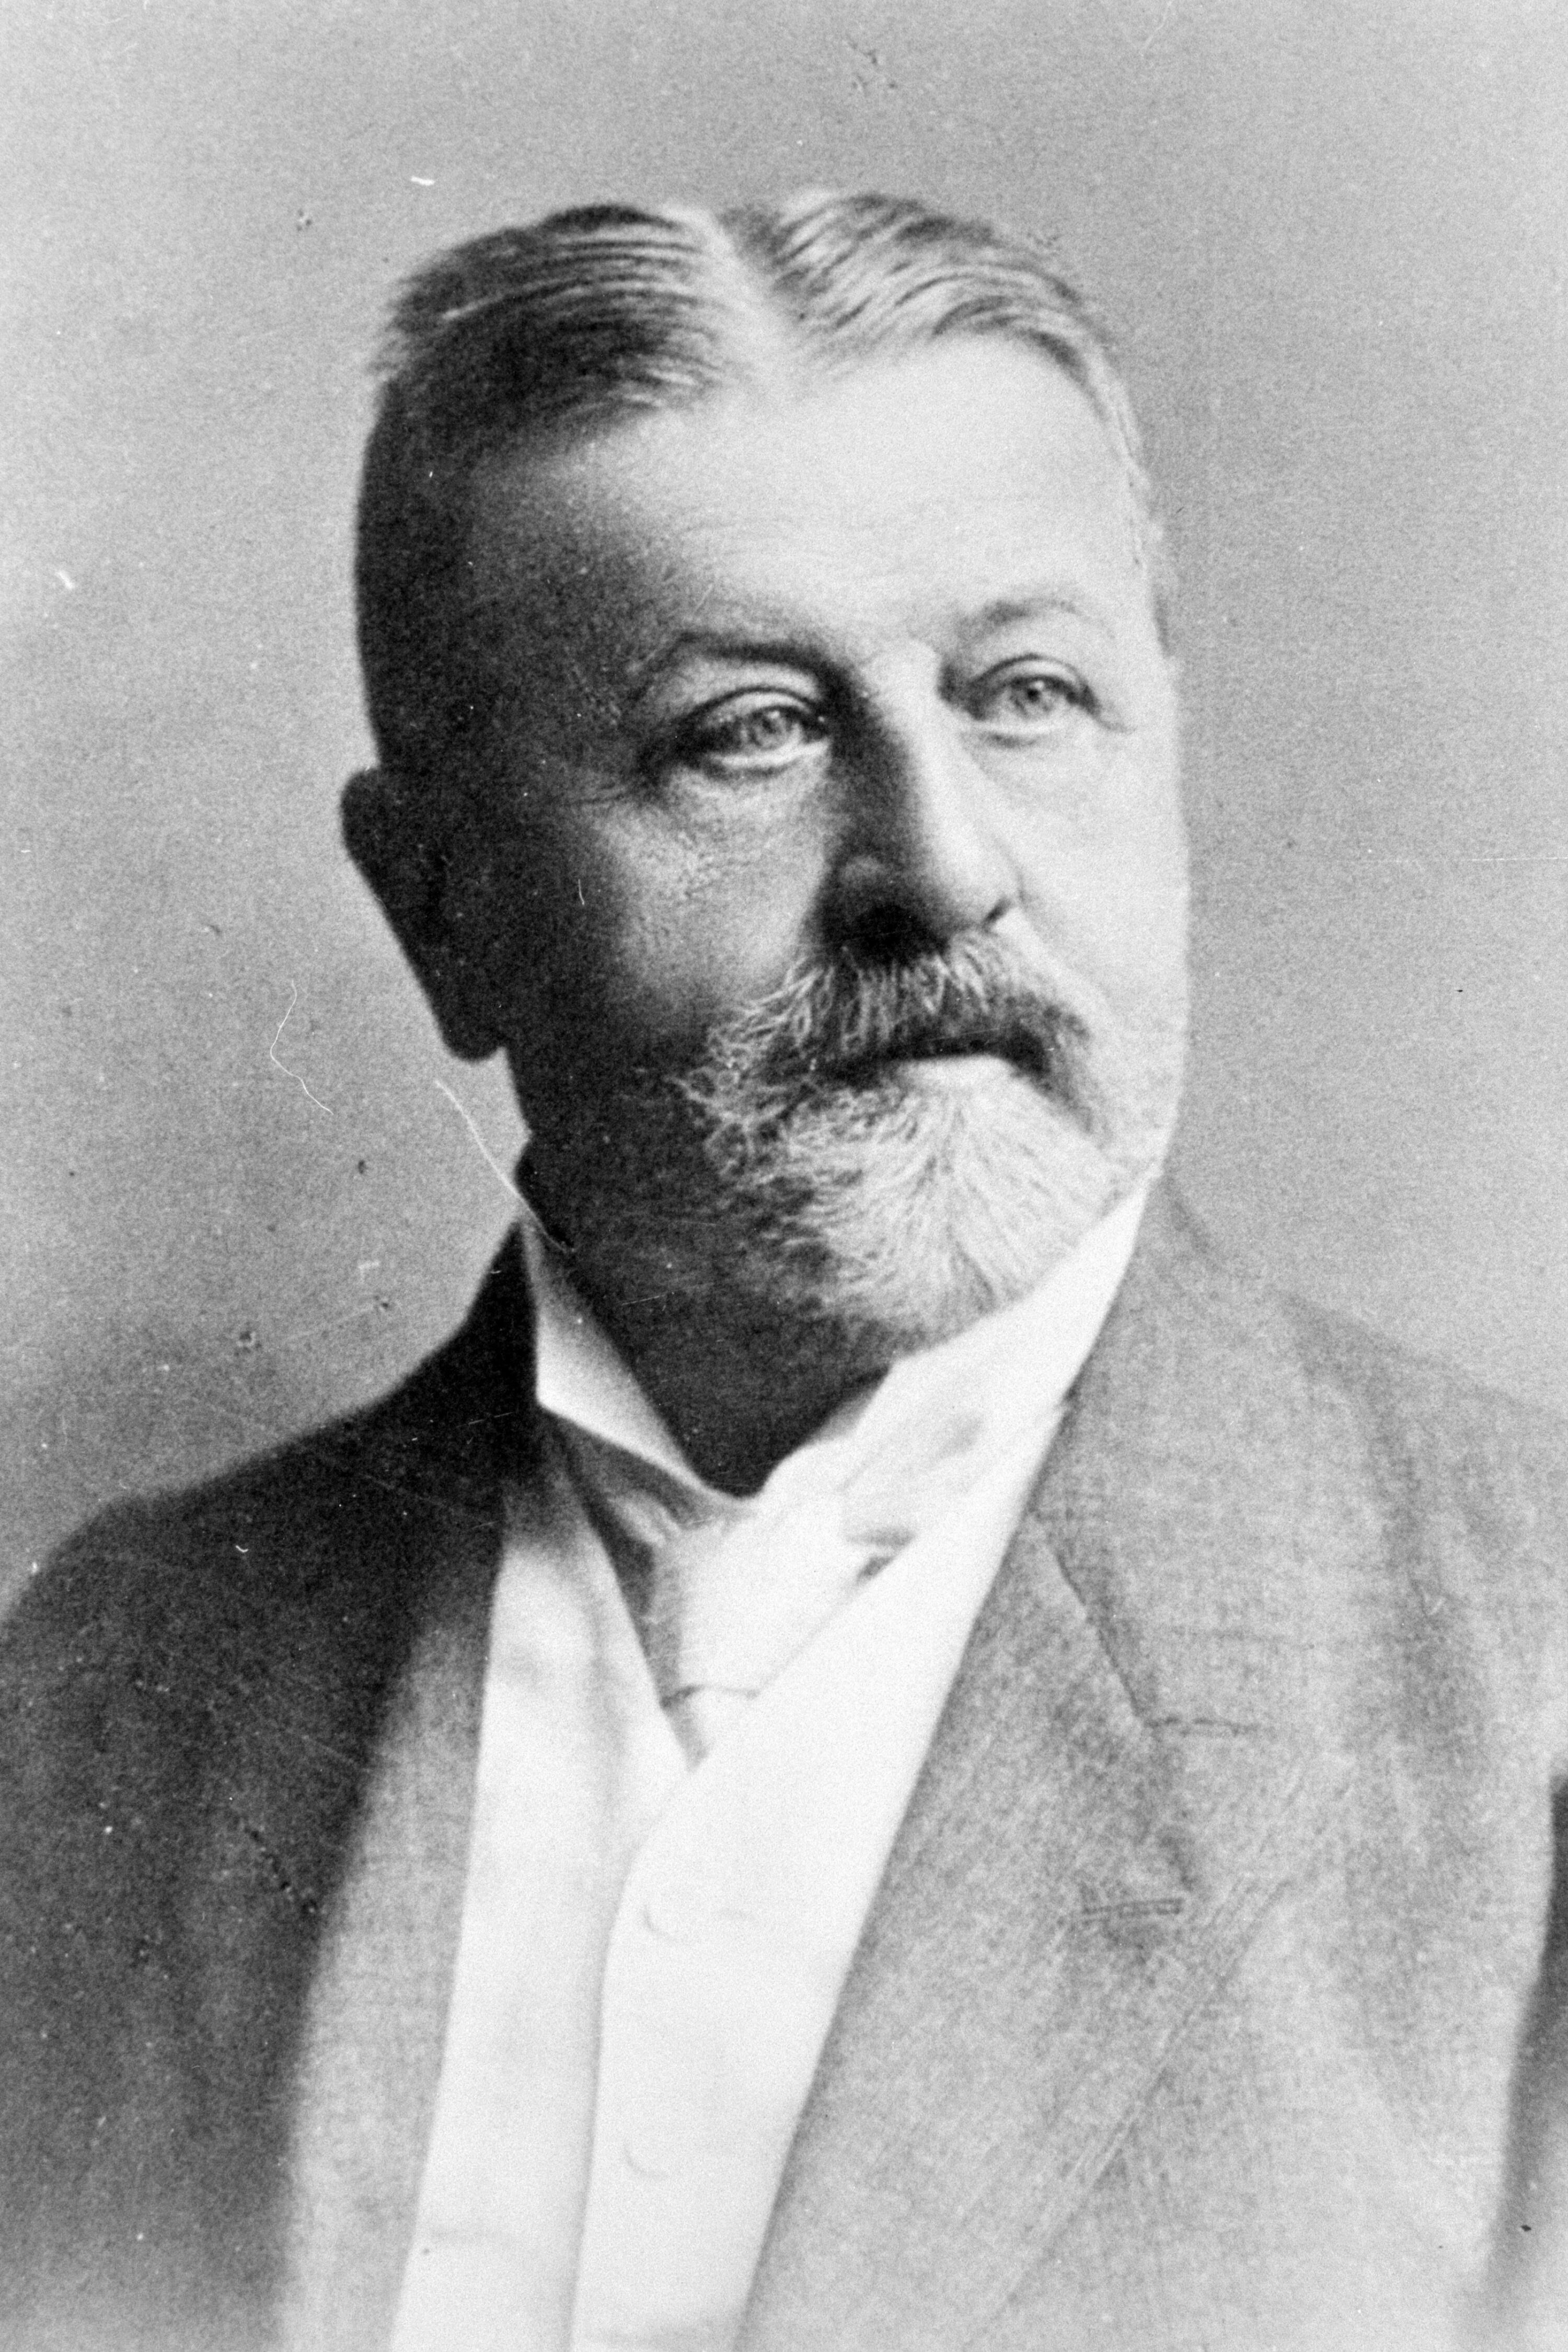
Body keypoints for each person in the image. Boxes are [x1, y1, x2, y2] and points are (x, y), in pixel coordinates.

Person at [1, 191, 1564, 2352]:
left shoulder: (1530, 1672)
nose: (942, 866)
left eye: (1029, 695)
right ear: (441, 906)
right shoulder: (110, 1686)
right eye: (749, 729)